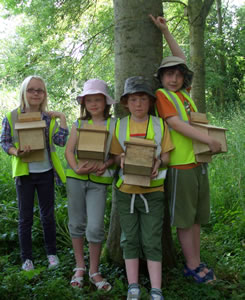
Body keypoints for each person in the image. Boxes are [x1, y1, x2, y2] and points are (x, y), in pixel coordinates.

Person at [150, 15, 221, 283]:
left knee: (196, 219)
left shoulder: (184, 95)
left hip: (198, 163)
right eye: (169, 74)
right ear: (161, 77)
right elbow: (175, 124)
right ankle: (191, 265)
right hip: (180, 165)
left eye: (179, 75)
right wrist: (207, 140)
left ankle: (197, 260)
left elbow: (180, 58)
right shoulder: (163, 96)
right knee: (183, 218)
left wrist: (166, 30)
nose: (175, 78)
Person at [110, 76, 174, 300]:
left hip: (154, 191)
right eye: (134, 99)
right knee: (129, 239)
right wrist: (123, 160)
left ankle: (156, 289)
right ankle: (133, 286)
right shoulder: (120, 125)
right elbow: (116, 156)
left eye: (143, 99)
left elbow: (166, 155)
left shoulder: (160, 125)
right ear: (126, 102)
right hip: (126, 191)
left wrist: (159, 162)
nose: (138, 104)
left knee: (152, 239)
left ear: (150, 102)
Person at [0, 75, 68, 271]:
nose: (36, 93)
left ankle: (51, 254)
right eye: (31, 90)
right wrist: (16, 152)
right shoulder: (12, 116)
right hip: (24, 174)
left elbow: (61, 142)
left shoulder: (48, 117)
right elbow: (5, 142)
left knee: (48, 215)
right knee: (25, 217)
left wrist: (62, 118)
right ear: (24, 92)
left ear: (44, 94)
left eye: (40, 90)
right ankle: (26, 258)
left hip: (46, 172)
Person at [65, 79, 116, 291]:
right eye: (89, 100)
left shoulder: (115, 125)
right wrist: (76, 167)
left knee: (95, 227)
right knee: (76, 223)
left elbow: (116, 155)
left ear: (106, 102)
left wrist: (106, 164)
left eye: (98, 99)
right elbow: (69, 151)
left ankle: (95, 270)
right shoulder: (78, 124)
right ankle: (80, 267)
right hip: (76, 179)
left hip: (99, 182)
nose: (93, 104)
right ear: (84, 103)